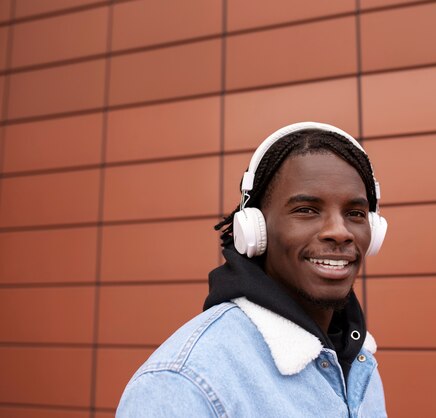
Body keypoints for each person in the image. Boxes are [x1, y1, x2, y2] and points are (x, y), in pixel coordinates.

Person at [116, 122, 389, 417]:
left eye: (355, 214)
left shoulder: (359, 362)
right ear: (255, 230)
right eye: (306, 210)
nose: (339, 232)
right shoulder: (183, 383)